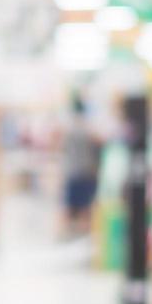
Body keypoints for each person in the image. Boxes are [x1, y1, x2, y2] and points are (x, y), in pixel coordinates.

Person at [61, 98, 99, 240]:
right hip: (86, 171)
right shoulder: (88, 128)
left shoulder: (69, 129)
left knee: (69, 204)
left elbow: (64, 149)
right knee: (85, 205)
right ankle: (85, 233)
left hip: (73, 170)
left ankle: (66, 232)